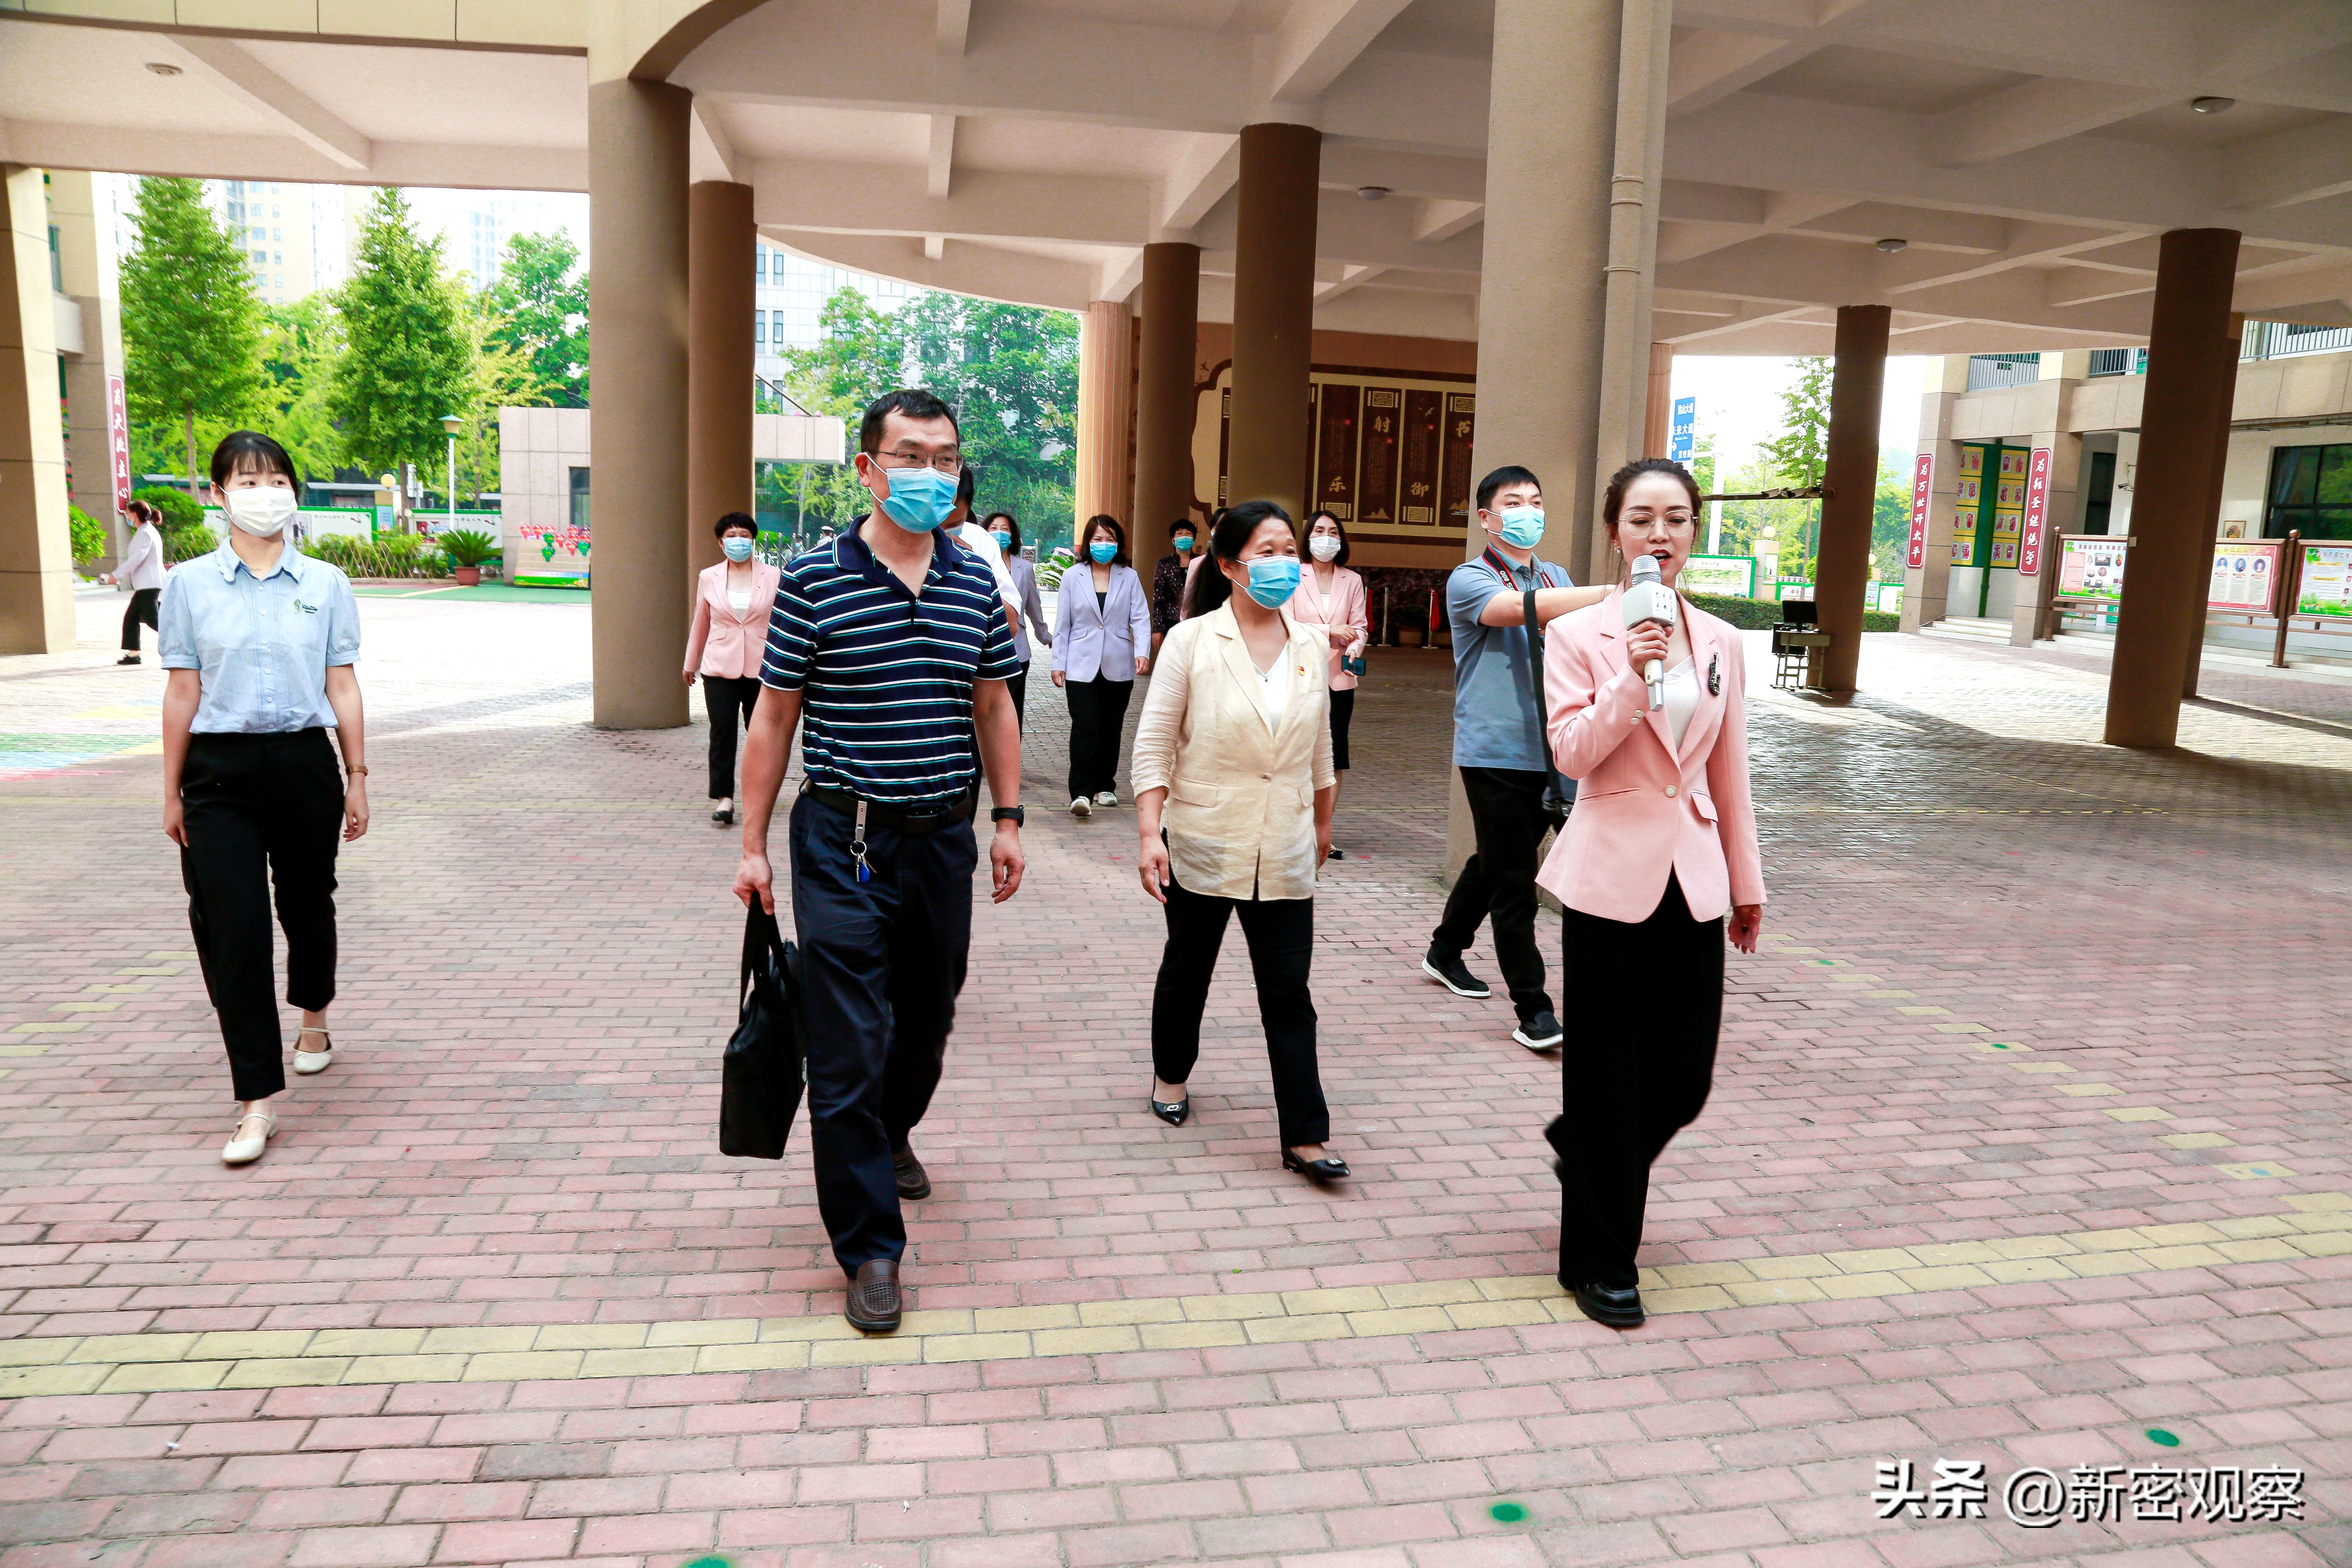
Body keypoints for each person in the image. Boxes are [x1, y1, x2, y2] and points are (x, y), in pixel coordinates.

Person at [734, 387, 1026, 1336]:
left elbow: (992, 705)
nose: (930, 475)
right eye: (910, 456)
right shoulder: (813, 580)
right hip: (840, 843)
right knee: (847, 1043)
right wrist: (750, 846)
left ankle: (891, 1129)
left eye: (944, 459)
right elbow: (773, 716)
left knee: (929, 1018)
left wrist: (1010, 819)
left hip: (941, 837)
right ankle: (869, 1245)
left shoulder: (974, 580)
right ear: (866, 468)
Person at [1535, 458, 1765, 1329]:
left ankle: (1585, 1155)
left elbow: (1730, 772)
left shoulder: (1721, 642)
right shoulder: (1577, 636)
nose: (1658, 535)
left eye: (1675, 519)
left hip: (1694, 880)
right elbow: (1571, 753)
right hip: (1607, 878)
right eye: (1641, 520)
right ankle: (1602, 1262)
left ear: (1693, 533)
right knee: (1604, 1080)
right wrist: (1632, 675)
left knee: (1683, 1079)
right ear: (1614, 534)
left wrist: (1748, 884)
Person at [158, 432, 368, 1167]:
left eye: (276, 478)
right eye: (247, 481)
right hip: (218, 775)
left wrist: (358, 776)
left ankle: (314, 1016)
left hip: (305, 764)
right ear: (218, 494)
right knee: (233, 931)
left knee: (308, 907)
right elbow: (183, 689)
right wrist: (172, 791)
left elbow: (341, 683)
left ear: (293, 491)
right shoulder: (187, 585)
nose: (263, 492)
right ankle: (255, 1103)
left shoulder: (324, 583)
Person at [1132, 500, 1345, 1183]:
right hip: (1202, 838)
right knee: (1188, 969)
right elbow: (1154, 744)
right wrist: (1148, 833)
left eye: (1290, 549)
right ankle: (1171, 1074)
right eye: (1268, 550)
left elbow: (1320, 749)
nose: (1284, 562)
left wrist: (1321, 822)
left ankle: (1306, 1136)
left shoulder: (1312, 643)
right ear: (1229, 565)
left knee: (1289, 993)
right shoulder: (1194, 643)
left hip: (1284, 845)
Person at [1423, 466, 1608, 1052]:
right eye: (1513, 503)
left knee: (1500, 861)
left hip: (1558, 749)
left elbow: (1583, 640)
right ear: (1487, 518)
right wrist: (1613, 594)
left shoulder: (1557, 575)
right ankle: (1534, 1009)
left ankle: (1444, 949)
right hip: (1495, 752)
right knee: (1515, 885)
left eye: (1536, 500)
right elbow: (1516, 609)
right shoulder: (1469, 578)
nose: (1528, 510)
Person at [1051, 514, 1152, 817]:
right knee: (1085, 726)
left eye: (1109, 539)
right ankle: (1081, 792)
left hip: (1118, 662)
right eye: (1097, 539)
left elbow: (1141, 618)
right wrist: (1058, 662)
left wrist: (1143, 651)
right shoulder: (1073, 576)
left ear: (1118, 543)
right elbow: (1063, 623)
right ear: (1087, 543)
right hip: (1080, 664)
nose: (1103, 545)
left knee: (1111, 726)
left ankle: (1105, 785)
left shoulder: (1128, 576)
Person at [684, 512, 782, 826]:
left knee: (763, 734)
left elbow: (783, 624)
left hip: (763, 667)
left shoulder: (774, 575)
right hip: (719, 666)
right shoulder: (709, 576)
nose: (738, 540)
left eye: (744, 535)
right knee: (722, 733)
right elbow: (702, 620)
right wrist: (691, 662)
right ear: (720, 541)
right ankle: (724, 799)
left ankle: (761, 793)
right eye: (731, 535)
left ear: (753, 539)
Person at [1285, 510, 1369, 859]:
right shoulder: (1294, 575)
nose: (1326, 537)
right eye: (1319, 530)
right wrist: (1329, 631)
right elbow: (1284, 621)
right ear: (1308, 536)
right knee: (1300, 753)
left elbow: (1360, 625)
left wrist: (1354, 645)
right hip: (1300, 676)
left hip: (1339, 678)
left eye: (1333, 531)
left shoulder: (1352, 580)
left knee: (1335, 758)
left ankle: (1323, 830)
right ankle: (1294, 829)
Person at [984, 510, 1050, 724]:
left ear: (1013, 536)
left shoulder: (1025, 567)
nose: (999, 534)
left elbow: (1033, 606)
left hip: (1017, 646)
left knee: (1012, 708)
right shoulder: (974, 562)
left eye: (1005, 529)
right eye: (994, 529)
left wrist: (1046, 636)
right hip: (983, 645)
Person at [108, 498, 166, 665]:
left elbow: (137, 558)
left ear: (134, 514)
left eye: (127, 513)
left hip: (149, 584)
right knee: (132, 618)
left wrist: (116, 575)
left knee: (153, 619)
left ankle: (184, 641)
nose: (126, 516)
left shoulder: (145, 533)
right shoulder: (147, 531)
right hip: (147, 584)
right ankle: (134, 654)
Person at [1149, 518, 1199, 658]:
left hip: (1196, 620)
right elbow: (1158, 597)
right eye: (1180, 534)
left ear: (1194, 539)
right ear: (1173, 540)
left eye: (1188, 534)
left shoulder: (1202, 562)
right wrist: (1158, 628)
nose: (1184, 537)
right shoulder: (1164, 564)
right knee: (1173, 660)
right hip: (1171, 621)